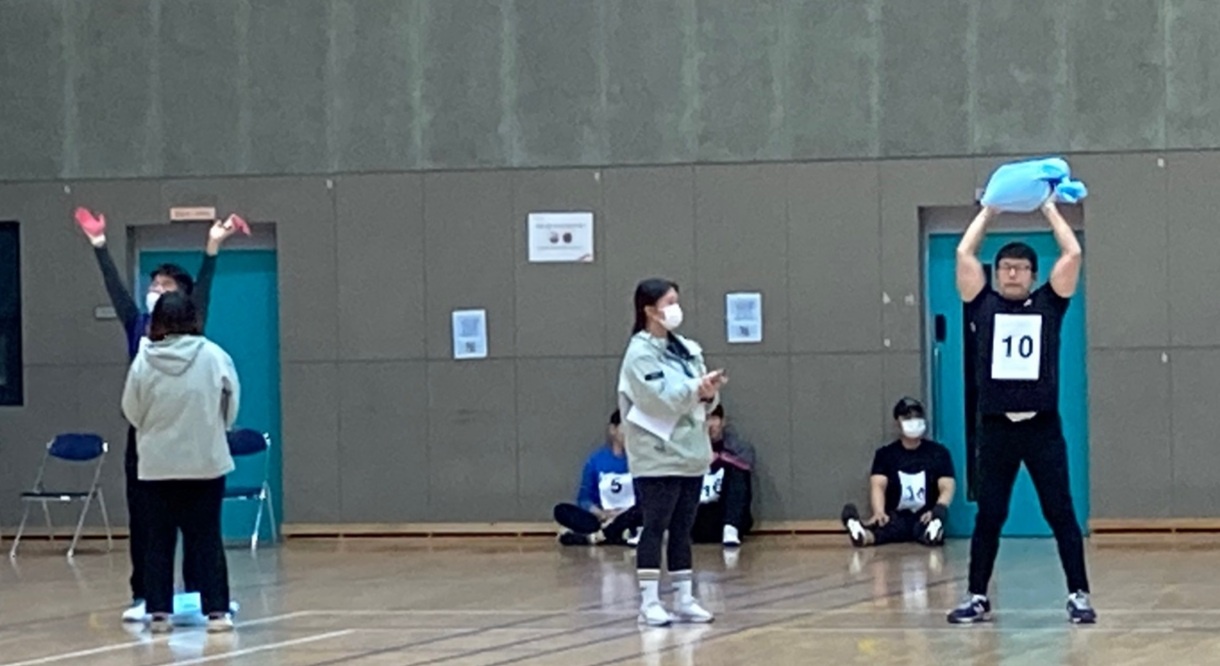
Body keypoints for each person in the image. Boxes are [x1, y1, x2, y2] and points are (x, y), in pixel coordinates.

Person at [74, 207, 246, 623]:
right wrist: (99, 245)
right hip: (150, 438)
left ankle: (195, 594)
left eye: (165, 286)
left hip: (166, 438)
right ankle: (147, 596)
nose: (156, 291)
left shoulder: (196, 335)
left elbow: (205, 287)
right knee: (150, 526)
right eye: (153, 285)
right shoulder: (139, 329)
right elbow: (116, 290)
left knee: (188, 530)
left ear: (182, 299)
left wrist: (213, 247)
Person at [947, 200, 1095, 625]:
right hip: (996, 430)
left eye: (1020, 268)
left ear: (1033, 274)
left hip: (1041, 428)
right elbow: (963, 253)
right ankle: (977, 595)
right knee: (990, 515)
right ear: (996, 274)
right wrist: (989, 212)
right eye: (1005, 268)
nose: (1012, 274)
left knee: (1060, 512)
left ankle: (1079, 595)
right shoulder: (982, 305)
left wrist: (1048, 208)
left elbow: (1072, 253)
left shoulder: (1049, 304)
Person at [121, 292, 240, 634]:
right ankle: (217, 612)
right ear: (193, 318)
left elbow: (131, 410)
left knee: (158, 540)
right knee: (207, 538)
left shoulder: (143, 361)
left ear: (156, 321)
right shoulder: (215, 356)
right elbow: (231, 403)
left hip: (156, 465)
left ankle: (160, 613)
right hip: (205, 461)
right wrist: (216, 427)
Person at [617, 278, 727, 627]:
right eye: (669, 302)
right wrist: (695, 388)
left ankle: (684, 597)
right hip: (657, 454)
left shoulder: (687, 349)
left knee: (683, 528)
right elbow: (657, 399)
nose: (675, 309)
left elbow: (706, 401)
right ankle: (649, 602)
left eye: (677, 301)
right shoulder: (639, 354)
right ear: (650, 310)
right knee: (655, 525)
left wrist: (709, 391)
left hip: (690, 452)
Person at [840, 397, 955, 548]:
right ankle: (861, 534)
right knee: (883, 529)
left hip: (926, 515)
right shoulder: (885, 454)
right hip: (896, 516)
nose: (913, 421)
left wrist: (938, 509)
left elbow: (947, 486)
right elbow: (878, 485)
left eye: (917, 417)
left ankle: (934, 531)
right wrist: (879, 512)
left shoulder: (939, 453)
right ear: (897, 423)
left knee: (926, 529)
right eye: (907, 417)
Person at [553, 410, 642, 547]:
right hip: (602, 518)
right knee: (561, 510)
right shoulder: (595, 460)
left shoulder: (640, 461)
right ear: (613, 429)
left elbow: (644, 498)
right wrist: (602, 514)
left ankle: (598, 536)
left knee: (645, 511)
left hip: (629, 515)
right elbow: (584, 499)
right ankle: (616, 535)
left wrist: (620, 514)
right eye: (626, 428)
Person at [691, 405, 755, 548]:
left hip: (724, 513)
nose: (710, 424)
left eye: (713, 418)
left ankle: (730, 528)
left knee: (738, 473)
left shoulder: (737, 447)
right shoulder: (688, 449)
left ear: (722, 421)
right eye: (705, 419)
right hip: (698, 517)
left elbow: (746, 463)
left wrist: (718, 459)